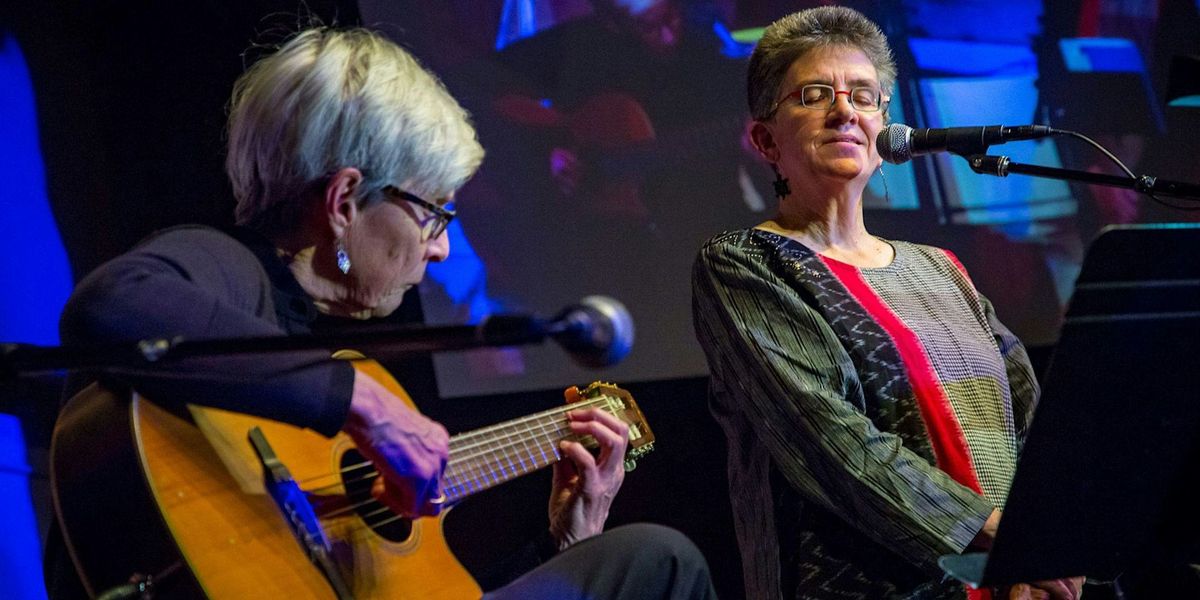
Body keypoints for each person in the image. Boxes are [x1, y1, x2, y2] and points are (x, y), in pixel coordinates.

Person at [46, 26, 716, 600]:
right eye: (432, 214)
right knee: (658, 561)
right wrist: (365, 403)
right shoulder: (229, 268)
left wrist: (568, 543)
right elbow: (111, 303)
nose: (443, 247)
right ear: (342, 202)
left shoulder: (313, 337)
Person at [691, 7, 1083, 600]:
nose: (844, 109)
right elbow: (829, 440)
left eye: (865, 97)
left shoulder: (940, 267)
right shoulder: (745, 264)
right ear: (766, 140)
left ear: (885, 136)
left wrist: (1045, 545)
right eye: (814, 95)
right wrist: (996, 538)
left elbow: (1027, 418)